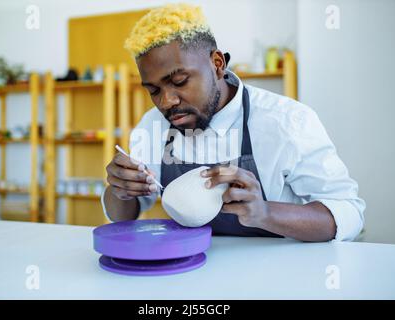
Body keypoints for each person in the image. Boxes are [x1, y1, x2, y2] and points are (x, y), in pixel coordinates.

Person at [102, 3, 365, 241]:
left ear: (217, 64)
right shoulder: (153, 125)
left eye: (179, 81)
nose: (166, 101)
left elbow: (348, 213)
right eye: (154, 90)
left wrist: (266, 213)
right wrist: (120, 191)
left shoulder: (287, 121)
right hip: (190, 271)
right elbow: (123, 216)